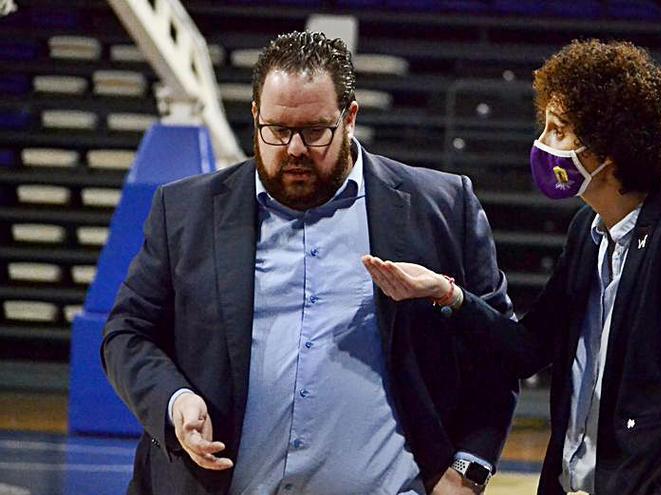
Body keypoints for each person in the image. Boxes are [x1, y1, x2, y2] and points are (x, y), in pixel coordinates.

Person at [101, 31, 517, 495]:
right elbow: (127, 333)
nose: (294, 148)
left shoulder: (441, 206)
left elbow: (499, 350)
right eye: (277, 130)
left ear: (350, 118)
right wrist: (174, 400)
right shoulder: (184, 212)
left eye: (315, 131)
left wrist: (470, 467)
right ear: (255, 115)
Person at [364, 39, 661, 495]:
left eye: (558, 130)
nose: (543, 144)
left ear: (607, 151)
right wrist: (446, 294)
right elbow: (529, 349)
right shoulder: (586, 230)